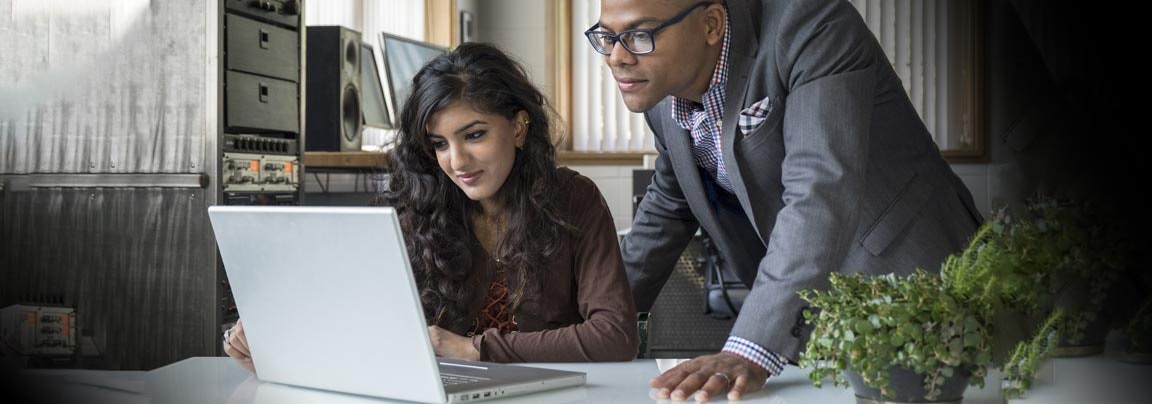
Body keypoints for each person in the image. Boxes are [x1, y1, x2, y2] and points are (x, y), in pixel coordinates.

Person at [586, 0, 983, 401]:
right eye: (607, 37)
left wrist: (749, 347)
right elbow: (669, 206)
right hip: (813, 326)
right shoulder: (661, 90)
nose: (618, 58)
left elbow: (820, 190)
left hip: (916, 297)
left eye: (640, 35)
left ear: (711, 25)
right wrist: (589, 324)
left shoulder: (813, 25)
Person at [223, 43, 638, 371]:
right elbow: (359, 322)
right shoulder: (422, 208)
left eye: (474, 135)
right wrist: (271, 341)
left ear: (517, 126)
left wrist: (477, 349)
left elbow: (615, 335)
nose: (456, 162)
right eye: (439, 144)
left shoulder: (574, 198)